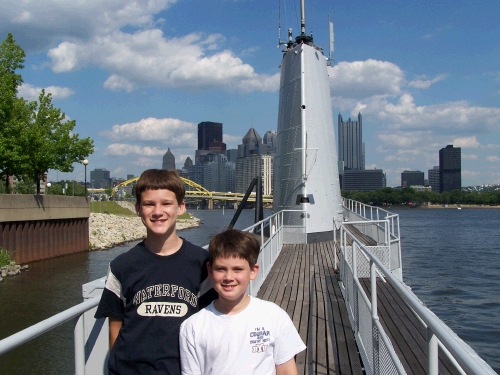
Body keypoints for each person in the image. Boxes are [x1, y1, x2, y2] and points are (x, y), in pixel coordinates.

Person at [95, 169, 214, 375]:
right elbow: (115, 326)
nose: (158, 211)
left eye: (167, 203)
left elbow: (214, 322)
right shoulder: (121, 266)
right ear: (138, 209)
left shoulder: (202, 264)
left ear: (181, 208)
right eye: (149, 204)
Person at [179, 229, 306, 375]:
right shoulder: (192, 327)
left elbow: (286, 370)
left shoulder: (274, 316)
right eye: (221, 269)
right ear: (210, 270)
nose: (228, 277)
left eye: (237, 269)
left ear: (253, 271)